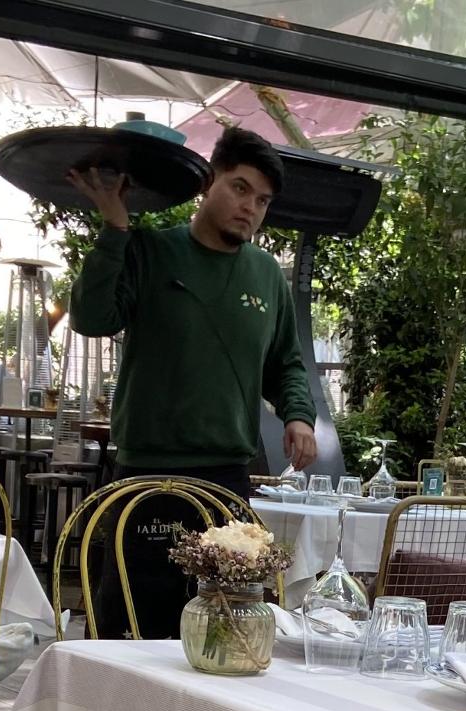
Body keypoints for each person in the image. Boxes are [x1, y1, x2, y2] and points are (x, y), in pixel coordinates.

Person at [67, 126, 317, 636]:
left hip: (225, 480)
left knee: (221, 629)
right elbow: (92, 318)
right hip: (145, 476)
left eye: (263, 200)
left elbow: (286, 362)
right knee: (126, 626)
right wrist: (115, 228)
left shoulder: (267, 274)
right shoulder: (150, 251)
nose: (250, 207)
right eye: (240, 188)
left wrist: (298, 415)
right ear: (209, 182)